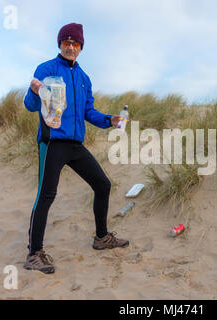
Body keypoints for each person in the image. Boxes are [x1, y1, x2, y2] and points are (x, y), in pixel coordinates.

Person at [23, 23, 129, 274]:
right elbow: (29, 105)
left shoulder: (83, 78)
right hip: (52, 142)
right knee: (46, 195)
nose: (71, 47)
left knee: (102, 184)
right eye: (66, 42)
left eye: (76, 44)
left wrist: (110, 120)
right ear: (60, 44)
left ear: (81, 47)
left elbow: (88, 112)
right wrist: (34, 90)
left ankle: (101, 238)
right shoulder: (46, 68)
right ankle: (33, 254)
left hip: (75, 144)